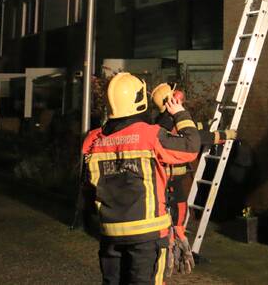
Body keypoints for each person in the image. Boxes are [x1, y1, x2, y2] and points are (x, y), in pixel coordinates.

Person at [81, 73, 201, 285]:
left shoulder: (93, 139)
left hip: (110, 235)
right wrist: (180, 113)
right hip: (148, 237)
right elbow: (191, 147)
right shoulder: (149, 135)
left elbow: (87, 189)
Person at [149, 82, 235, 277]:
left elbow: (194, 128)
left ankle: (170, 252)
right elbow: (197, 138)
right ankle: (173, 254)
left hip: (165, 183)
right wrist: (223, 135)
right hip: (172, 184)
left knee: (172, 221)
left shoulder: (159, 122)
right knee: (177, 221)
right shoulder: (169, 124)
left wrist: (206, 124)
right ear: (171, 101)